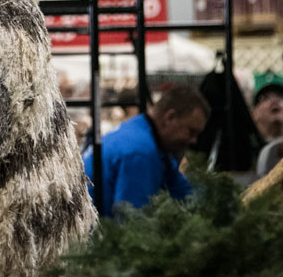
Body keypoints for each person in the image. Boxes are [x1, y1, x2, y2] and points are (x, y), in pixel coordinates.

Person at [84, 84, 210, 218]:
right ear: (170, 117)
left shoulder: (142, 129)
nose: (193, 140)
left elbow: (183, 192)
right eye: (191, 131)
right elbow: (133, 223)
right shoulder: (141, 152)